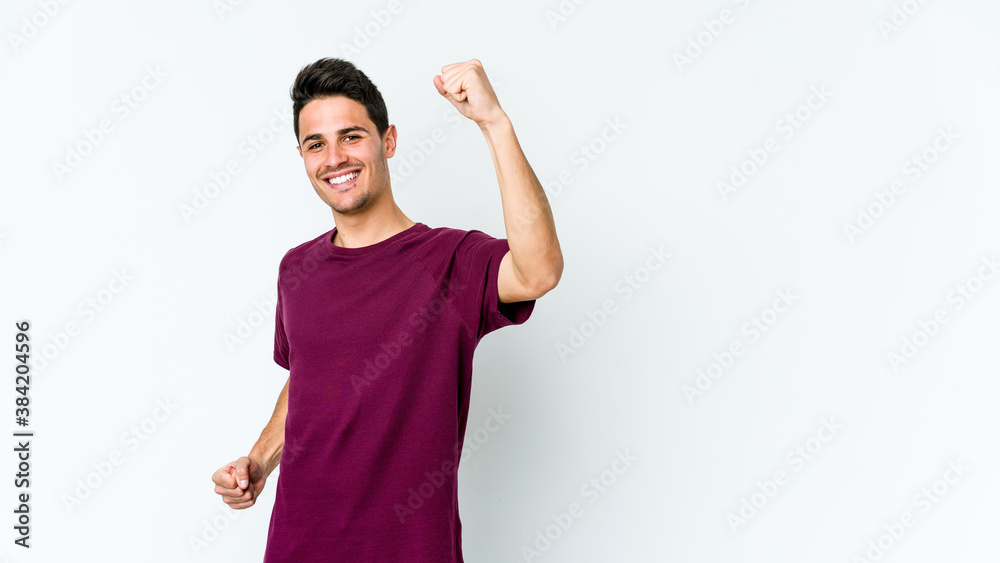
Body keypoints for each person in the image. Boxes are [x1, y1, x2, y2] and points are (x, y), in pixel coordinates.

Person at [211, 57, 562, 562]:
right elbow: (309, 377)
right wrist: (260, 463)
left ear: (388, 141)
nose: (334, 157)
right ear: (303, 157)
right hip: (296, 545)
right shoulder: (297, 270)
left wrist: (494, 123)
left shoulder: (450, 261)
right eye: (316, 144)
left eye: (351, 136)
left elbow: (539, 270)